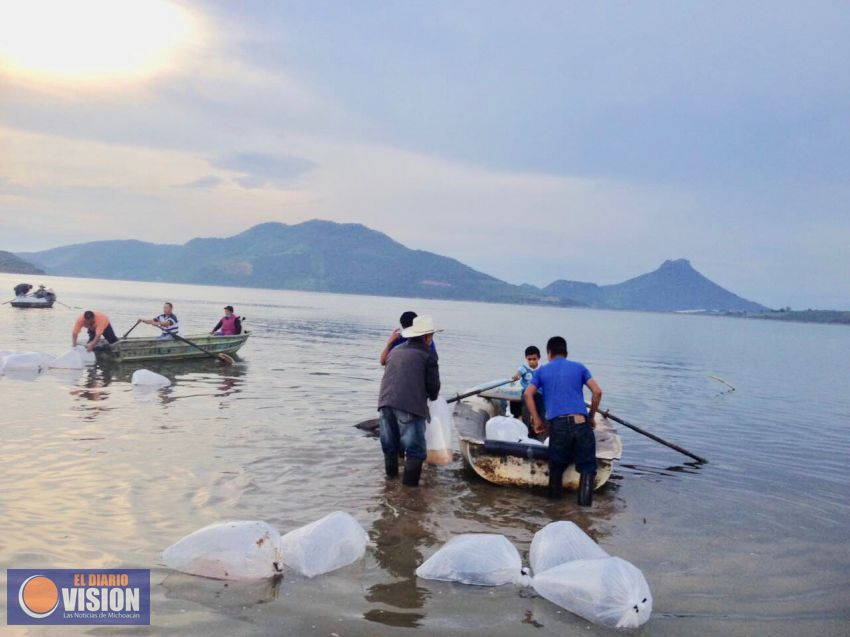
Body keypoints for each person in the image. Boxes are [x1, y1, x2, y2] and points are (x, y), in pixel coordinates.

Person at [524, 336, 602, 506]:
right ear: (566, 353)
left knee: (556, 468)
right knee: (588, 468)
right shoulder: (579, 367)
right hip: (581, 422)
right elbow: (597, 392)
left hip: (558, 425)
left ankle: (555, 512)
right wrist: (591, 417)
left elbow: (528, 394)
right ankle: (585, 513)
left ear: (549, 353)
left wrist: (537, 420)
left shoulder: (542, 371)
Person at [377, 315, 441, 487]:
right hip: (410, 406)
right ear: (427, 337)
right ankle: (410, 494)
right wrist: (432, 399)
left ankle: (390, 485)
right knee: (415, 451)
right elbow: (433, 385)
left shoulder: (396, 350)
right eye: (431, 336)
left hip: (385, 404)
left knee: (390, 446)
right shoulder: (429, 353)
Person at [512, 345, 546, 436]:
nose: (532, 361)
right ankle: (525, 428)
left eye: (534, 359)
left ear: (538, 358)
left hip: (539, 392)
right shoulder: (524, 367)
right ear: (526, 359)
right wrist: (517, 376)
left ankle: (541, 427)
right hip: (527, 392)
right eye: (529, 359)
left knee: (542, 407)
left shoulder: (543, 368)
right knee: (525, 404)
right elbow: (519, 373)